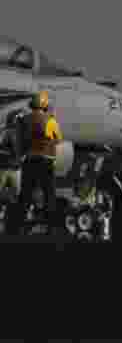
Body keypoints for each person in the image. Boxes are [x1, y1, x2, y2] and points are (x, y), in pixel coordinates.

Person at [11, 92, 63, 236]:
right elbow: (58, 139)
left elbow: (18, 141)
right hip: (46, 161)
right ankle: (52, 227)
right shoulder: (50, 120)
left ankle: (17, 226)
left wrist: (19, 156)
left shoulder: (23, 120)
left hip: (29, 160)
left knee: (25, 194)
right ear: (45, 105)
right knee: (49, 194)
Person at [0, 109, 28, 224]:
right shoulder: (8, 133)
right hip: (9, 167)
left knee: (15, 193)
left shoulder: (15, 133)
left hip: (10, 167)